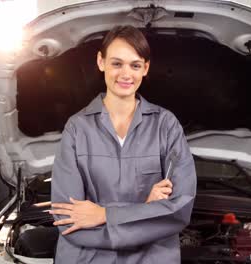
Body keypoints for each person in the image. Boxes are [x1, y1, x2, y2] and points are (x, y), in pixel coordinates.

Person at [50, 25, 197, 264]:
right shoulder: (77, 128)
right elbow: (68, 219)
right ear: (101, 62)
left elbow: (179, 209)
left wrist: (103, 214)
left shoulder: (166, 125)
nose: (126, 74)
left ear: (145, 68)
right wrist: (146, 211)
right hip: (86, 258)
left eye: (135, 65)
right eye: (117, 63)